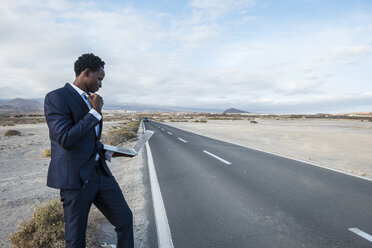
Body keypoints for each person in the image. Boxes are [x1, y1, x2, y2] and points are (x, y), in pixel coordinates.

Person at [44, 53, 134, 248]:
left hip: (99, 173)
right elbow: (65, 138)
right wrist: (95, 112)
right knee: (76, 239)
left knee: (125, 219)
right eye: (99, 78)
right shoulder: (56, 97)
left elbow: (90, 139)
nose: (101, 84)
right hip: (76, 179)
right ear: (86, 73)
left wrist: (110, 151)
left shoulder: (92, 100)